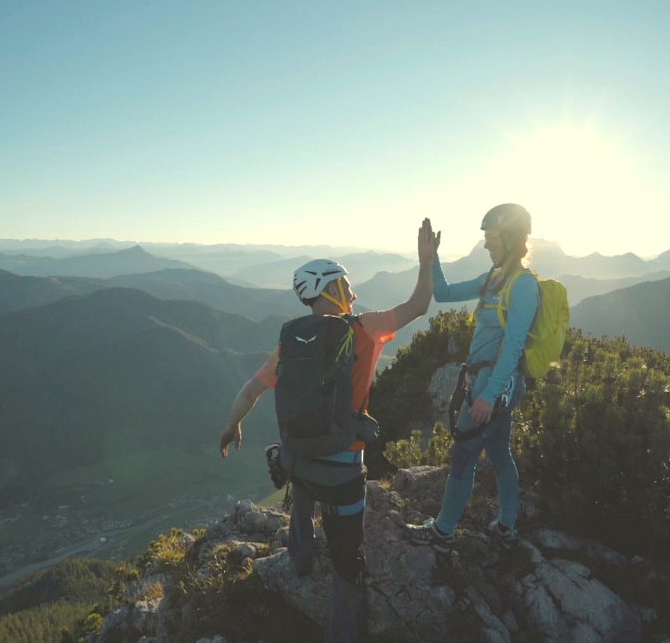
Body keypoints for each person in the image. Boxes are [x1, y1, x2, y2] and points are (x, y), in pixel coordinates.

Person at [219, 219, 439, 643]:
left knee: (299, 477)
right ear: (331, 290)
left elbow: (251, 390)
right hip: (342, 468)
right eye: (347, 285)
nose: (354, 294)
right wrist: (425, 262)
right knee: (347, 560)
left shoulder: (291, 342)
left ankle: (299, 560)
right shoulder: (365, 330)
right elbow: (419, 306)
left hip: (297, 461)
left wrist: (232, 426)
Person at [406, 203, 540, 550]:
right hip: (492, 385)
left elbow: (512, 347)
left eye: (492, 238)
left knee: (463, 456)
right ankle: (507, 526)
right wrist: (430, 258)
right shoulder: (493, 280)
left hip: (493, 385)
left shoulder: (523, 286)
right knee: (499, 452)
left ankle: (443, 530)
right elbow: (444, 294)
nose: (486, 246)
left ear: (512, 239)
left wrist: (488, 395)